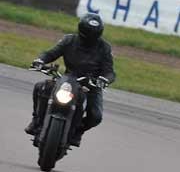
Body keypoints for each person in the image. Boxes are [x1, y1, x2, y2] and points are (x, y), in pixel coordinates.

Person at [25, 13, 115, 146]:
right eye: (86, 33)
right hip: (67, 79)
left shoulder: (105, 48)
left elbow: (109, 72)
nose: (89, 37)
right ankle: (37, 120)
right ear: (81, 30)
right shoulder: (69, 40)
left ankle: (78, 131)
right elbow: (51, 53)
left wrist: (103, 80)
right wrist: (40, 60)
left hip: (90, 85)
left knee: (96, 116)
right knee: (41, 87)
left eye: (92, 34)